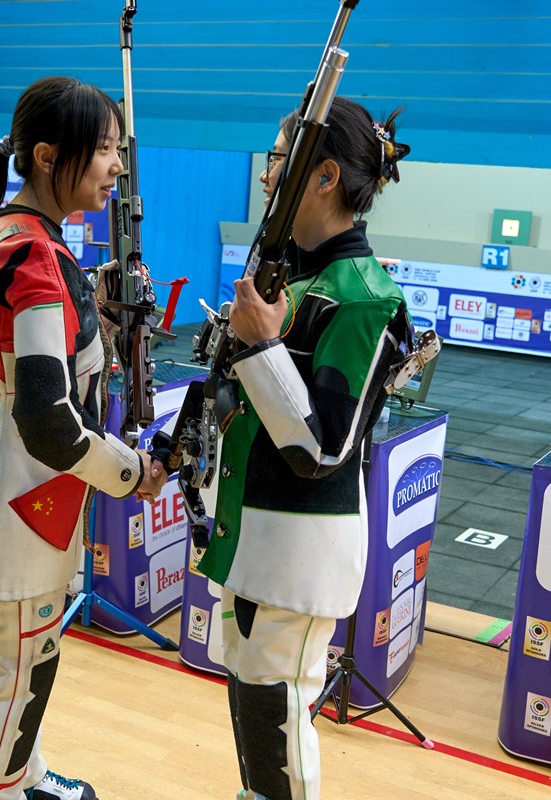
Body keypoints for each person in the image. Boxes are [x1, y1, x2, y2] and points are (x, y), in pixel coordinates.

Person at [0, 76, 166, 800]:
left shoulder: (21, 239)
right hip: (22, 497)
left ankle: (22, 776)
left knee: (27, 658)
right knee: (18, 669)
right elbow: (49, 420)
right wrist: (130, 472)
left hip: (21, 492)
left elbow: (46, 360)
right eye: (104, 150)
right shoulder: (34, 257)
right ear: (45, 156)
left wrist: (96, 309)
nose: (116, 167)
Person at [196, 98, 411, 800]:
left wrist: (261, 344)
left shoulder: (364, 296)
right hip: (252, 535)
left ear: (323, 176)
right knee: (258, 720)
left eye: (278, 159)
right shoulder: (296, 278)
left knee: (278, 720)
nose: (266, 176)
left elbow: (322, 448)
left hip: (297, 547)